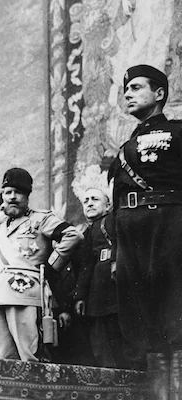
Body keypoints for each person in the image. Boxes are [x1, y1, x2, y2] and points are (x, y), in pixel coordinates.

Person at [108, 64, 182, 399]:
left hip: (169, 226)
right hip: (131, 235)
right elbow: (115, 202)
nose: (128, 94)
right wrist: (116, 250)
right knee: (142, 317)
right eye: (126, 90)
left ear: (159, 93)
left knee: (174, 310)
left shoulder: (177, 133)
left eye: (136, 88)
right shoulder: (125, 148)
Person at [0, 168, 83, 361]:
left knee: (29, 354)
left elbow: (73, 235)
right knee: (3, 357)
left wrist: (51, 266)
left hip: (26, 292)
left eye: (18, 192)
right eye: (8, 192)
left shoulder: (40, 219)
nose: (12, 197)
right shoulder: (2, 229)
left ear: (27, 196)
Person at [72, 188, 131, 368]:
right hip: (97, 291)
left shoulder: (114, 220)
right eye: (86, 200)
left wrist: (115, 261)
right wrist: (80, 296)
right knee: (101, 339)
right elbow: (86, 266)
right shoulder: (88, 232)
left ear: (108, 205)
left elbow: (123, 243)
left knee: (120, 335)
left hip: (116, 284)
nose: (89, 203)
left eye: (95, 199)